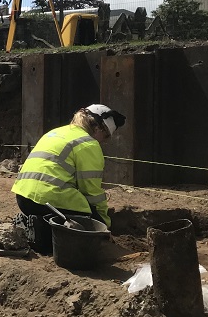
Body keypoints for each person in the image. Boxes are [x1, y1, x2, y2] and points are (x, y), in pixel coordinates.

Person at [11, 103, 125, 253]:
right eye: (105, 137)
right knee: (86, 220)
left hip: (23, 197)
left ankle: (36, 224)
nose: (103, 142)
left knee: (73, 207)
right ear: (98, 128)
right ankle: (43, 236)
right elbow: (91, 192)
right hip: (49, 200)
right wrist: (103, 223)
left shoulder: (55, 132)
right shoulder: (88, 144)